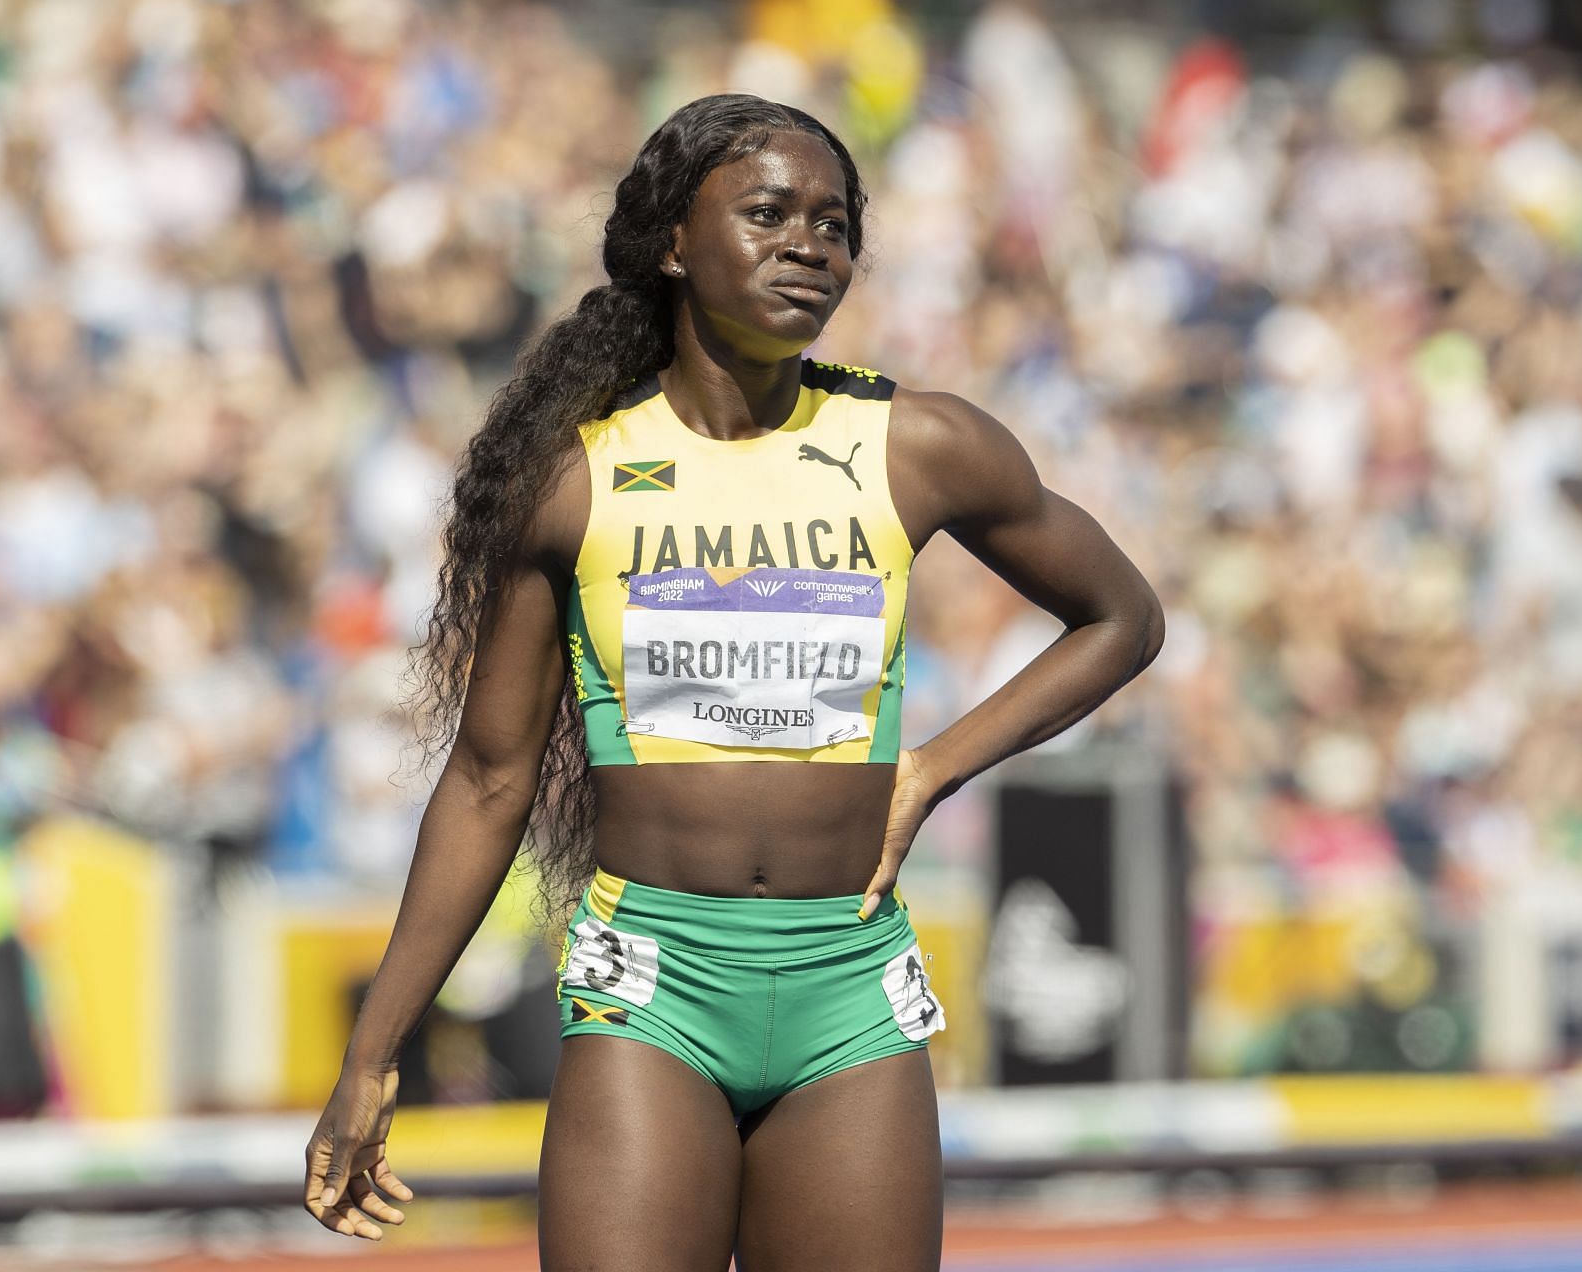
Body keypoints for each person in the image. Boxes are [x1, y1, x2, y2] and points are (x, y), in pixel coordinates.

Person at [302, 93, 1164, 1272]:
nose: (810, 243)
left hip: (851, 987)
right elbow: (493, 775)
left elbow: (1121, 617)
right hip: (652, 985)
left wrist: (933, 769)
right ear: (672, 241)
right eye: (768, 213)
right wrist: (373, 1052)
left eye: (834, 223)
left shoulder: (920, 445)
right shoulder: (572, 477)